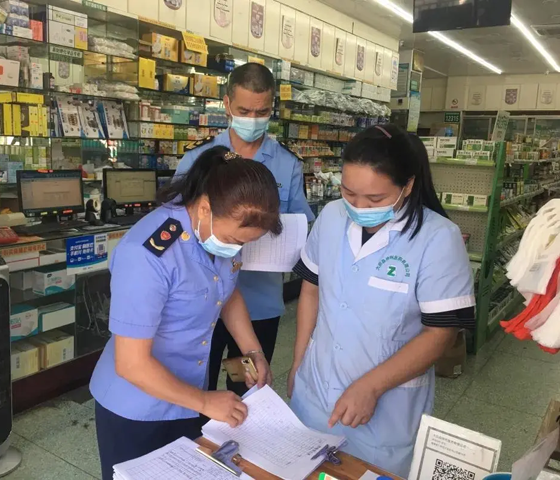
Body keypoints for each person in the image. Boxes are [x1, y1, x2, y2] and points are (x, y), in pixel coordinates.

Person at [288, 124, 475, 477]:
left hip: (385, 417)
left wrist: (371, 387)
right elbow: (311, 289)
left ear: (408, 185)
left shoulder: (438, 238)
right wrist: (298, 362)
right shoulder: (331, 216)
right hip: (314, 392)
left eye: (375, 199)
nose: (358, 206)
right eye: (349, 192)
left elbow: (440, 334)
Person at [89, 146, 282, 479]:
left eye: (244, 244)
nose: (237, 249)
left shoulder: (216, 230)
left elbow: (227, 292)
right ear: (205, 208)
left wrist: (253, 351)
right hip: (136, 409)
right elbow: (131, 363)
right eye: (234, 240)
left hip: (188, 395)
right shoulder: (148, 255)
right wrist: (205, 402)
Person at [175, 62, 314, 396]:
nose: (253, 119)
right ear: (227, 105)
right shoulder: (199, 159)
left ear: (272, 108)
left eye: (261, 112)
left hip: (258, 303)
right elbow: (177, 224)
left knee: (245, 388)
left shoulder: (286, 164)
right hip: (203, 299)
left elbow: (300, 225)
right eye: (244, 111)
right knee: (198, 387)